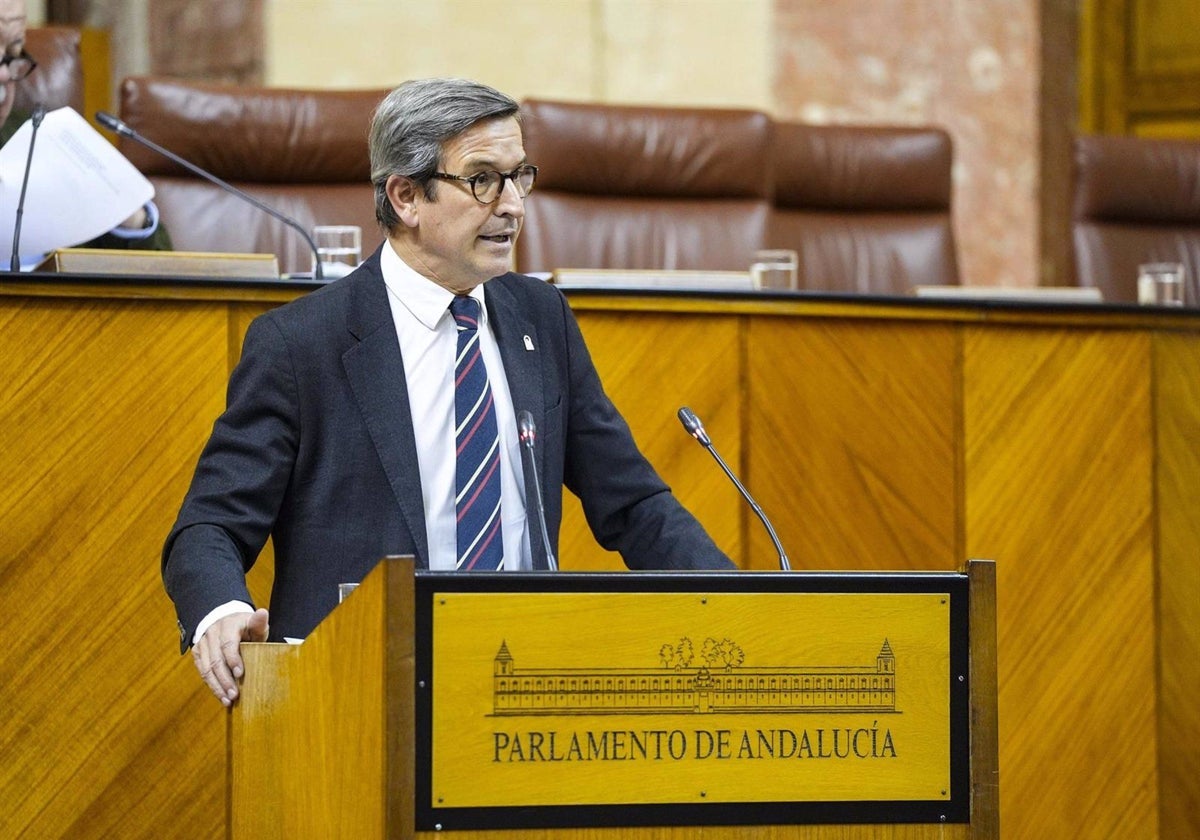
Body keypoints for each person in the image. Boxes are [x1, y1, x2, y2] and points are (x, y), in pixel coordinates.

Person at [162, 77, 736, 707]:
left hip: (520, 681)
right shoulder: (302, 344)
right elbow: (210, 525)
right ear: (406, 196)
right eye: (483, 179)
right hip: (357, 691)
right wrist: (219, 608)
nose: (513, 205)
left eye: (521, 177)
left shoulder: (540, 319)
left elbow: (633, 504)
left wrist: (743, 605)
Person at [0, 0, 170, 261]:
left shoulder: (41, 141)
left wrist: (129, 217)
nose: (3, 75)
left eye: (12, 54)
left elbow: (159, 265)